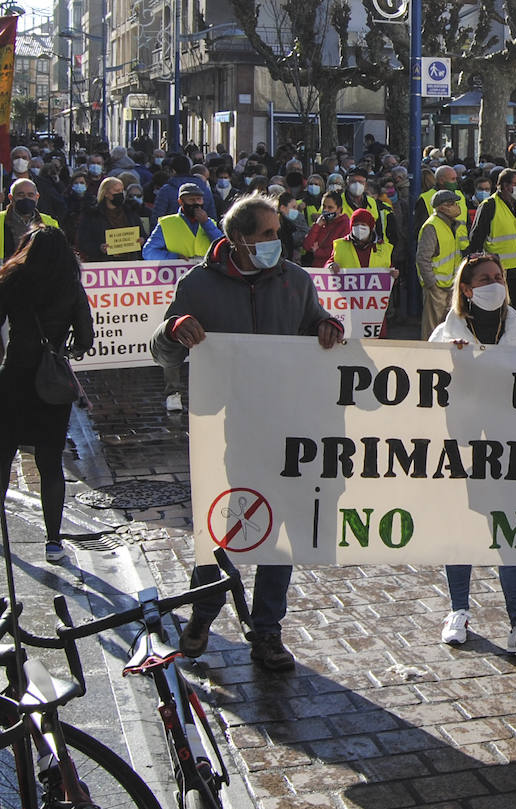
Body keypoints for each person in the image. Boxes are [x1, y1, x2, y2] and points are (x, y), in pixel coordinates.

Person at [152, 194, 343, 672]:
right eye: (267, 234)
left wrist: (327, 326)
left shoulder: (296, 280)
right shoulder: (198, 284)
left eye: (278, 232)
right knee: (223, 526)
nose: (277, 241)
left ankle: (267, 631)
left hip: (283, 423)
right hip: (224, 427)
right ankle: (204, 609)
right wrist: (175, 329)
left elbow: (312, 323)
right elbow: (162, 351)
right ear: (237, 239)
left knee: (276, 529)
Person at [428, 252, 516, 654]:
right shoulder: (445, 335)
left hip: (508, 448)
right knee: (461, 527)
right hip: (462, 446)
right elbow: (423, 386)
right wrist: (450, 361)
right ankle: (458, 610)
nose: (495, 283)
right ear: (466, 288)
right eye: (484, 279)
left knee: (509, 529)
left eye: (498, 277)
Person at [0, 227, 93, 563]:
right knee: (50, 462)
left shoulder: (11, 282)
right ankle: (53, 542)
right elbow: (86, 338)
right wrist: (62, 349)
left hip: (13, 376)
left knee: (2, 454)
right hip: (50, 383)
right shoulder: (70, 286)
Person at [467, 169, 516, 306]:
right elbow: (477, 237)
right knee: (499, 308)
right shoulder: (489, 205)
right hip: (498, 270)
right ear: (504, 185)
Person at [416, 190, 468, 338]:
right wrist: (431, 284)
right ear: (441, 207)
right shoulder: (432, 226)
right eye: (452, 204)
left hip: (450, 285)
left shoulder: (451, 225)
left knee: (447, 327)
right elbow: (422, 258)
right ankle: (429, 357)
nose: (456, 207)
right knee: (432, 329)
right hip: (437, 287)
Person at [142, 184, 222, 262]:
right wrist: (175, 258)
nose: (196, 203)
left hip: (206, 272)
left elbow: (223, 247)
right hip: (178, 273)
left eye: (199, 199)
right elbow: (148, 252)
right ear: (181, 202)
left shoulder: (210, 223)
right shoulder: (167, 223)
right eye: (191, 200)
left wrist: (207, 224)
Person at [76, 177, 144, 262]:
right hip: (104, 264)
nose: (120, 193)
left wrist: (142, 240)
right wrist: (99, 248)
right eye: (116, 191)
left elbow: (143, 234)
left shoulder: (130, 212)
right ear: (106, 193)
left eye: (122, 191)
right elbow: (83, 242)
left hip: (129, 262)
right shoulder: (92, 215)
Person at [327, 208, 392, 272]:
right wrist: (330, 266)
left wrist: (393, 274)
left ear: (371, 227)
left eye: (363, 225)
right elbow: (328, 265)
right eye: (356, 225)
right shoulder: (340, 245)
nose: (359, 228)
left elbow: (389, 271)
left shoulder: (384, 248)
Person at [302, 192, 351, 269]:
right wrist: (317, 226)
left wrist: (318, 252)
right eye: (324, 206)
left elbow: (339, 251)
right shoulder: (321, 223)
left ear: (339, 209)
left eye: (330, 207)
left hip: (333, 272)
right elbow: (307, 245)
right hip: (317, 270)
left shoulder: (345, 225)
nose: (325, 210)